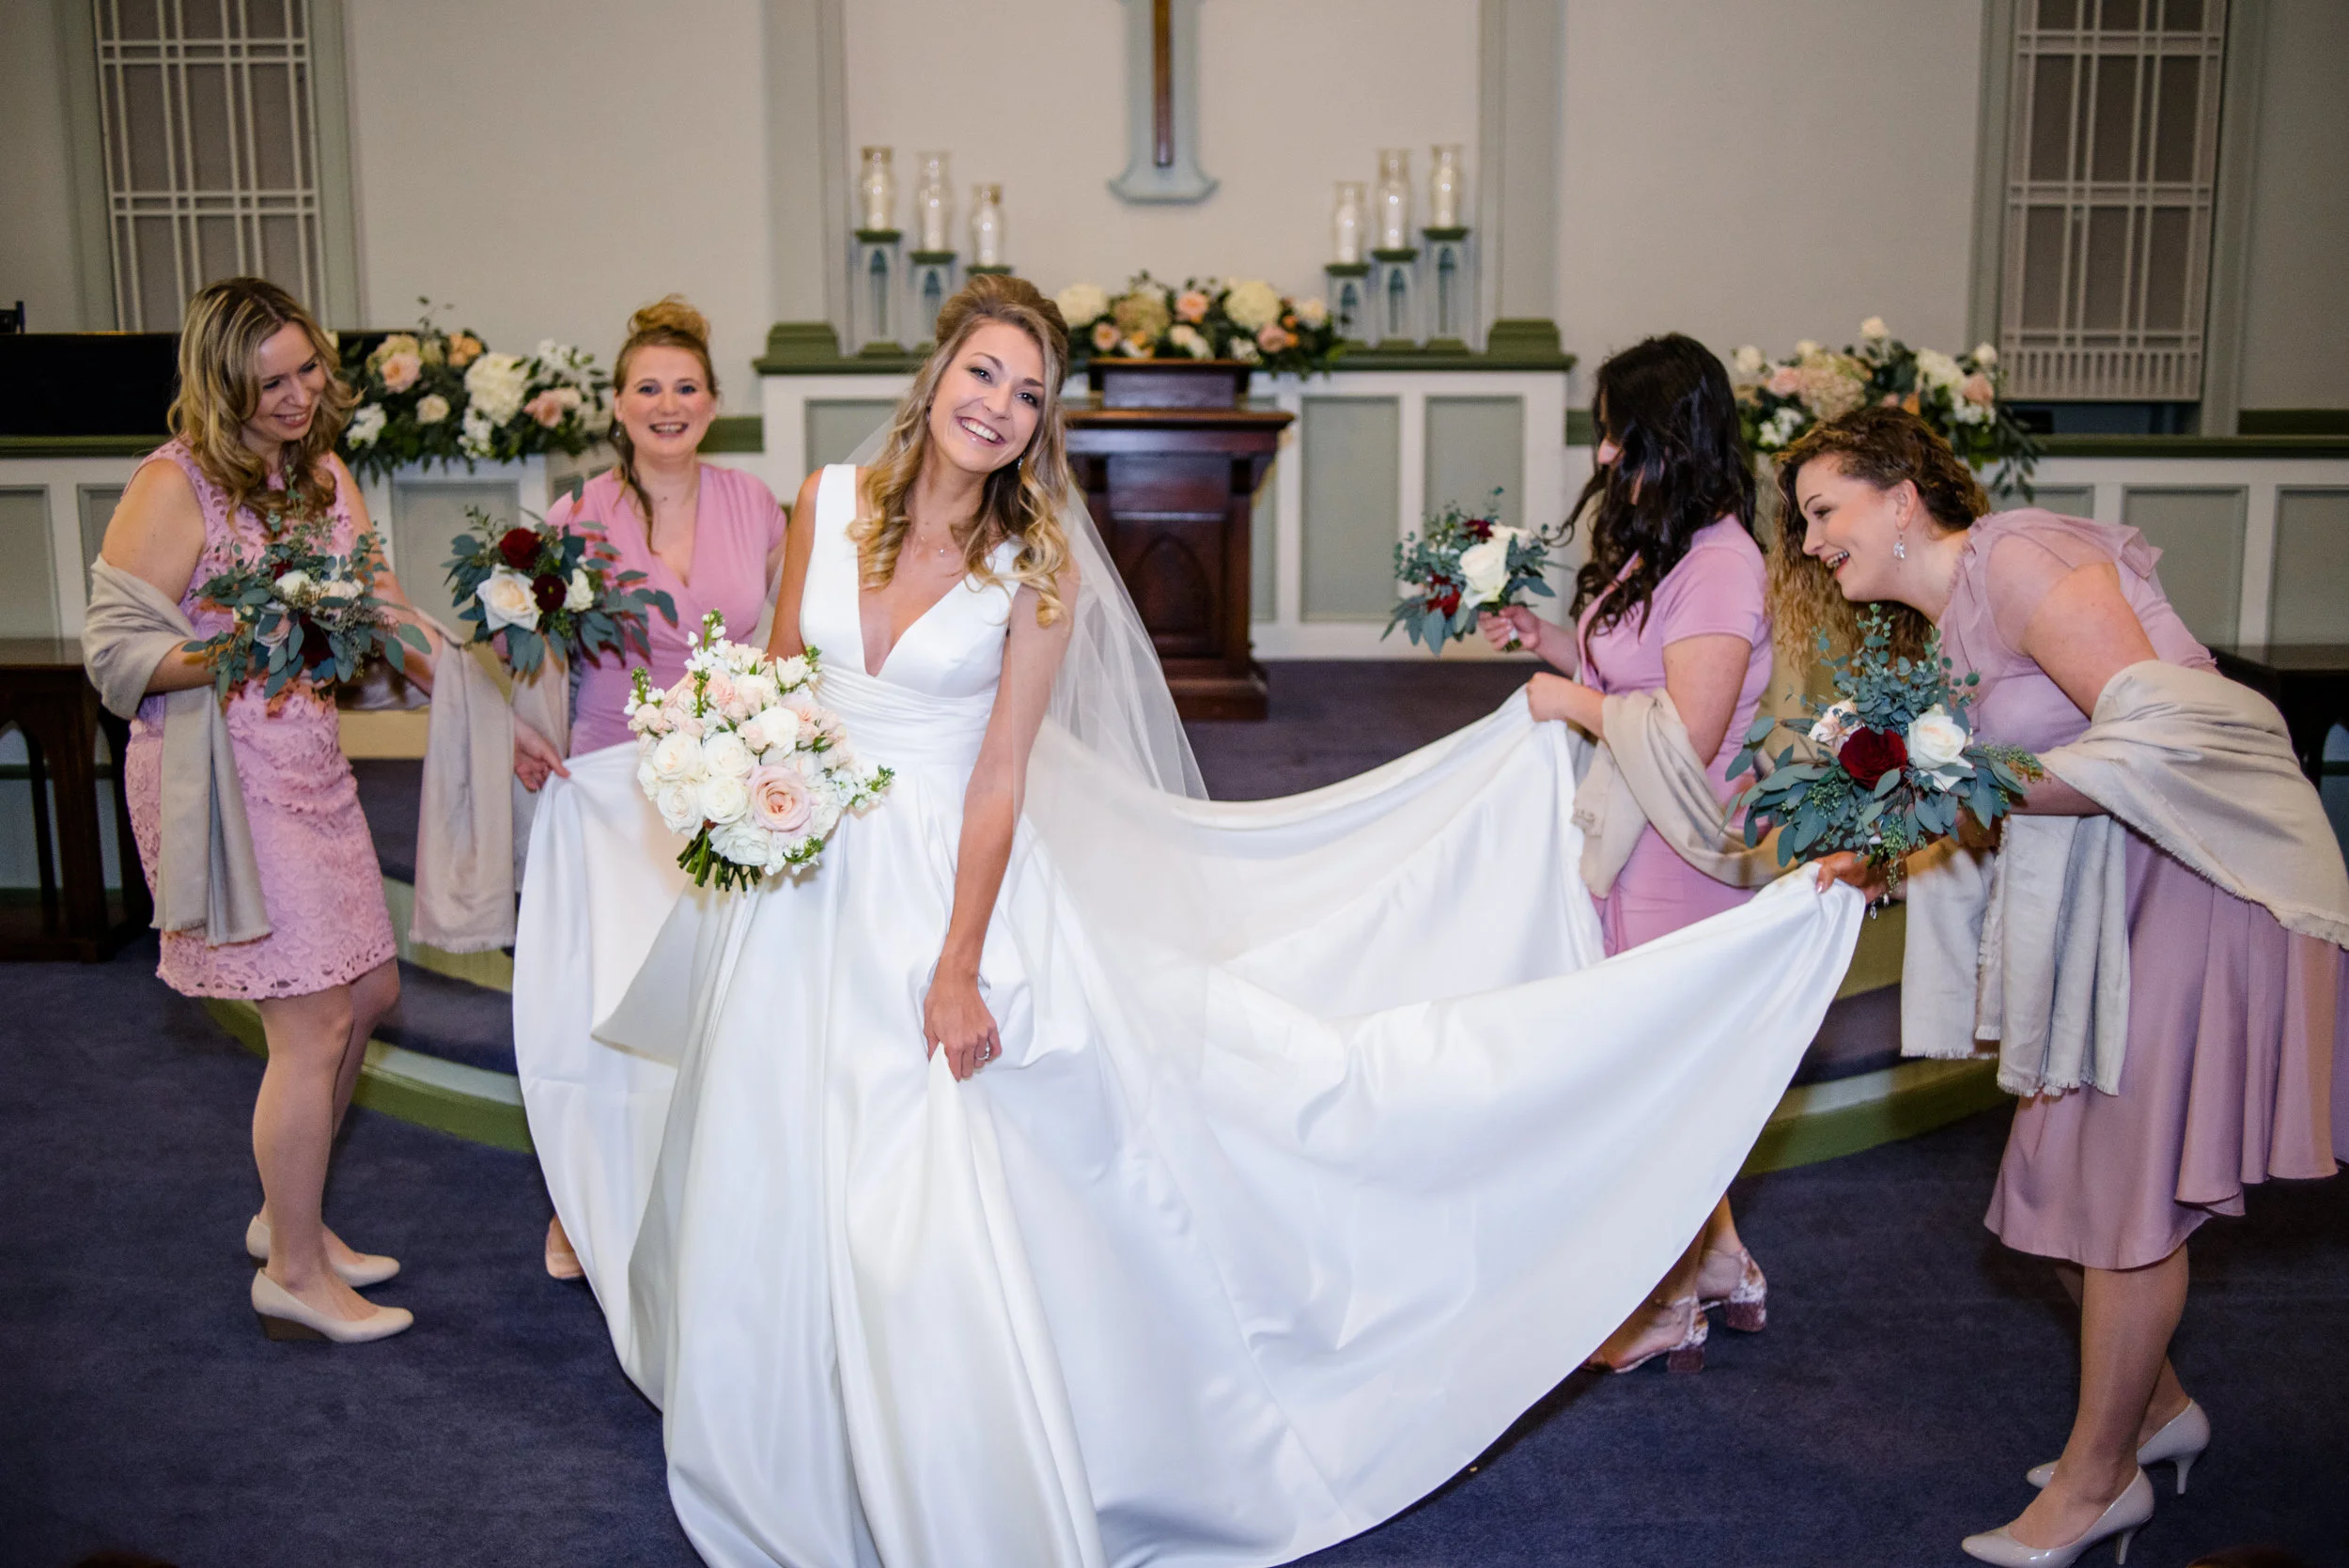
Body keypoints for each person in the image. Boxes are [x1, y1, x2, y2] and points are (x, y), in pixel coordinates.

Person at [536, 273, 1866, 1566]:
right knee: (778, 1140)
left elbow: (999, 775)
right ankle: (785, 1414)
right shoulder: (824, 502)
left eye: (1028, 392)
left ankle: (924, 1451)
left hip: (942, 883)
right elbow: (777, 680)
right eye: (982, 371)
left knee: (922, 1177)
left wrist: (958, 962)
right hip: (799, 871)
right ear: (937, 375)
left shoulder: (1035, 566)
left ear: (1042, 424)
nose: (997, 404)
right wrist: (738, 791)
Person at [1788, 407, 2348, 1566]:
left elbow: (2151, 747)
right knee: (2054, 1193)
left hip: (2195, 880)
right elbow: (1994, 782)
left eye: (1822, 509)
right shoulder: (1942, 627)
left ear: (1901, 498)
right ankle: (2156, 1411)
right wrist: (1883, 844)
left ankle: (2099, 1484)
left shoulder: (2019, 557)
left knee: (2118, 1197)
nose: (1809, 542)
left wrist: (1939, 786)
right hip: (2112, 895)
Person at [89, 277, 553, 1343]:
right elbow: (114, 658)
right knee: (313, 1020)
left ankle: (283, 1214)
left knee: (372, 991)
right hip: (222, 772)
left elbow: (384, 615)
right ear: (220, 386)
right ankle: (294, 1272)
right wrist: (249, 642)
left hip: (309, 759)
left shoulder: (322, 473)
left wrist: (492, 722)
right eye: (270, 384)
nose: (297, 397)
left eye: (306, 371)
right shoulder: (172, 486)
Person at [1479, 333, 1775, 1374]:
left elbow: (1686, 732)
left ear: (1675, 437)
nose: (1604, 456)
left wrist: (1568, 703)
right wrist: (1549, 644)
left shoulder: (1722, 564)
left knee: (1660, 1083)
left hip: (1682, 855)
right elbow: (1628, 673)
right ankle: (1724, 1263)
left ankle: (1665, 1301)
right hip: (1631, 834)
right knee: (1664, 1069)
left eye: (1620, 436)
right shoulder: (1666, 543)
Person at [515, 296, 787, 1282]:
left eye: (685, 387)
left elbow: (786, 633)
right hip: (610, 782)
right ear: (618, 406)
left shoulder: (757, 504)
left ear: (712, 404)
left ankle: (703, 1192)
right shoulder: (573, 516)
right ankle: (579, 1200)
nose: (667, 403)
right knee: (607, 1000)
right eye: (647, 388)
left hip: (718, 782)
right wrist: (525, 724)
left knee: (711, 999)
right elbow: (531, 642)